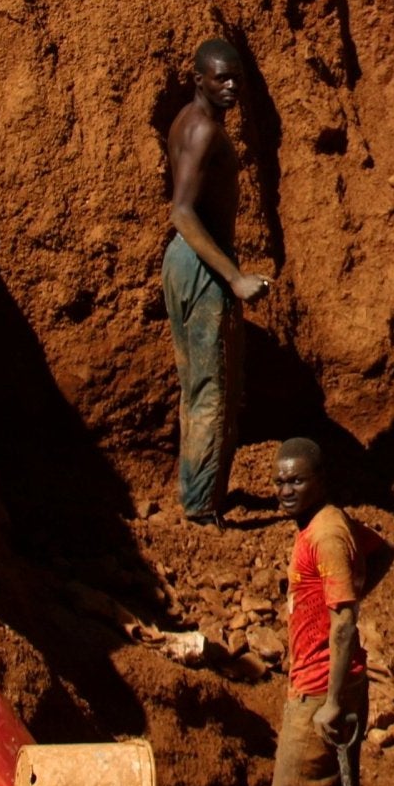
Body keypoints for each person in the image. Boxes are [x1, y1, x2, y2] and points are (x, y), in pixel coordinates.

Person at [268, 438, 378, 786]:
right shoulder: (329, 523)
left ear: (321, 479)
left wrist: (331, 701)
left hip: (321, 689)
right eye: (280, 481)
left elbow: (345, 621)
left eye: (296, 480)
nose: (285, 489)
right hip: (339, 680)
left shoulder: (326, 535)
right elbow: (383, 551)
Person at [163, 38, 269, 524]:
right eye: (220, 78)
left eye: (236, 79)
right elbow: (182, 211)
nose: (230, 87)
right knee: (215, 387)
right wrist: (235, 277)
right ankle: (202, 507)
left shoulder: (186, 120)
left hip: (185, 261)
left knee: (198, 384)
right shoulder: (204, 131)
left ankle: (197, 495)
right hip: (203, 263)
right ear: (198, 77)